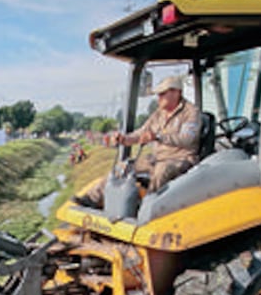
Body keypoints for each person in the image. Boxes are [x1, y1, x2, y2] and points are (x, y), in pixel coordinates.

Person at [78, 75, 200, 208]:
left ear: (177, 92)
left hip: (180, 159)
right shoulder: (159, 113)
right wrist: (125, 139)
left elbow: (188, 139)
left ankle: (148, 208)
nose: (159, 97)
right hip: (157, 157)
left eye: (163, 94)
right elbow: (142, 132)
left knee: (161, 171)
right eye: (158, 94)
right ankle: (92, 198)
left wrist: (157, 136)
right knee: (123, 167)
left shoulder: (191, 112)